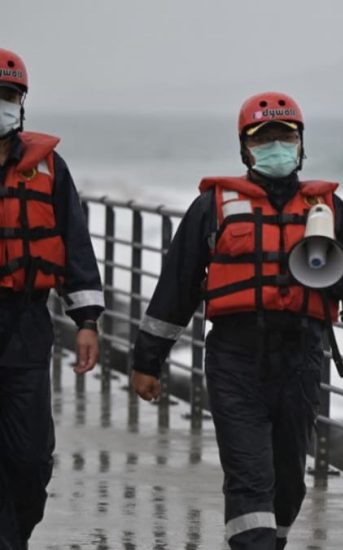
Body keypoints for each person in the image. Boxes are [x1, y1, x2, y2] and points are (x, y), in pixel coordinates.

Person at [131, 91, 343, 549]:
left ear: (301, 143)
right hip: (236, 359)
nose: (276, 145)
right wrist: (147, 362)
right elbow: (176, 287)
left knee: (288, 483)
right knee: (250, 478)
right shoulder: (214, 206)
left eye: (285, 135)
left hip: (303, 359)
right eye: (264, 137)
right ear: (245, 148)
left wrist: (340, 276)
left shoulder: (327, 209)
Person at [0, 49, 104, 550]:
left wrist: (86, 320)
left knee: (29, 459)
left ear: (21, 103)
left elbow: (76, 245)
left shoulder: (49, 169)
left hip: (26, 323)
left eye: (7, 95)